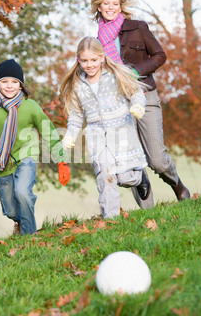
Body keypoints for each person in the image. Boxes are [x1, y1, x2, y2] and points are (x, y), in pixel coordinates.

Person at [90, 0, 190, 207]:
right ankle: (148, 214)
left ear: (120, 6)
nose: (110, 8)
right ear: (99, 6)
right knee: (132, 160)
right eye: (106, 4)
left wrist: (135, 72)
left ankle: (178, 186)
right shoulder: (96, 40)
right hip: (118, 104)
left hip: (145, 95)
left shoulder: (138, 28)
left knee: (157, 159)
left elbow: (160, 55)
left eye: (115, 4)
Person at [0, 59, 71, 235]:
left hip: (26, 155)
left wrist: (61, 160)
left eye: (14, 82)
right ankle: (20, 221)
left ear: (21, 85)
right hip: (1, 163)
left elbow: (48, 132)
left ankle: (30, 238)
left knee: (23, 192)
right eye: (4, 81)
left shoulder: (30, 107)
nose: (9, 86)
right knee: (10, 210)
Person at [60, 36, 151, 219]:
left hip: (121, 132)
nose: (89, 65)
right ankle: (110, 220)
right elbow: (77, 116)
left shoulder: (116, 74)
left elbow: (135, 92)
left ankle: (140, 177)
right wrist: (70, 135)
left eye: (94, 60)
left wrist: (138, 105)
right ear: (78, 60)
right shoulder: (77, 85)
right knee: (105, 174)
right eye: (84, 61)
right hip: (97, 136)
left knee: (124, 178)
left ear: (102, 57)